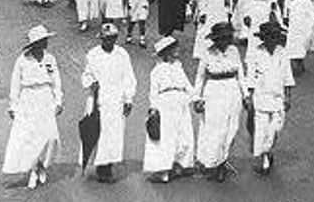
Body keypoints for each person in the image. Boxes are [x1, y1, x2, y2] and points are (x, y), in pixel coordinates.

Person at [2, 25, 62, 190]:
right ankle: (34, 171)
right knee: (30, 137)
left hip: (46, 97)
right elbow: (15, 85)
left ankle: (40, 164)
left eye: (46, 40)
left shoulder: (50, 58)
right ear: (34, 44)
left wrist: (58, 101)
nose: (45, 43)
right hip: (28, 99)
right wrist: (13, 106)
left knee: (50, 136)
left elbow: (56, 80)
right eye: (42, 41)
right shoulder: (22, 60)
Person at [193, 22, 250, 181]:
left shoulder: (234, 51)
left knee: (232, 128)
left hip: (233, 91)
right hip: (214, 92)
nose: (224, 42)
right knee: (215, 129)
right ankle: (215, 163)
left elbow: (241, 74)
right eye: (221, 39)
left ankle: (223, 159)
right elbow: (200, 77)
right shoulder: (208, 53)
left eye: (227, 38)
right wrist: (197, 98)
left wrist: (245, 94)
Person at [81, 23, 137, 183]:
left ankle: (108, 164)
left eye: (112, 39)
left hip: (116, 100)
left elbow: (129, 77)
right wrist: (91, 83)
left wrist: (128, 99)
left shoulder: (122, 54)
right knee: (99, 132)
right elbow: (86, 74)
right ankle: (100, 166)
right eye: (106, 39)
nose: (109, 42)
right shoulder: (93, 54)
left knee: (114, 134)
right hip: (99, 99)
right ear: (101, 39)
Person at [142, 36, 196, 183]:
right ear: (165, 53)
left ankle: (180, 165)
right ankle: (162, 171)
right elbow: (153, 92)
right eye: (173, 49)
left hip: (181, 102)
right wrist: (153, 109)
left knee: (184, 134)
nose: (177, 50)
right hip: (165, 104)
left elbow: (187, 85)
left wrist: (197, 98)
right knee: (166, 137)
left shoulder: (179, 67)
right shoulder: (157, 71)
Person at [244, 20, 294, 174]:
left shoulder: (282, 53)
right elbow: (251, 77)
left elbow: (287, 77)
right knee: (261, 128)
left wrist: (288, 97)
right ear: (264, 38)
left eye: (274, 37)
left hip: (277, 98)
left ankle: (268, 150)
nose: (272, 40)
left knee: (275, 128)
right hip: (261, 96)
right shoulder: (256, 53)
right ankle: (264, 157)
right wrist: (249, 97)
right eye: (269, 37)